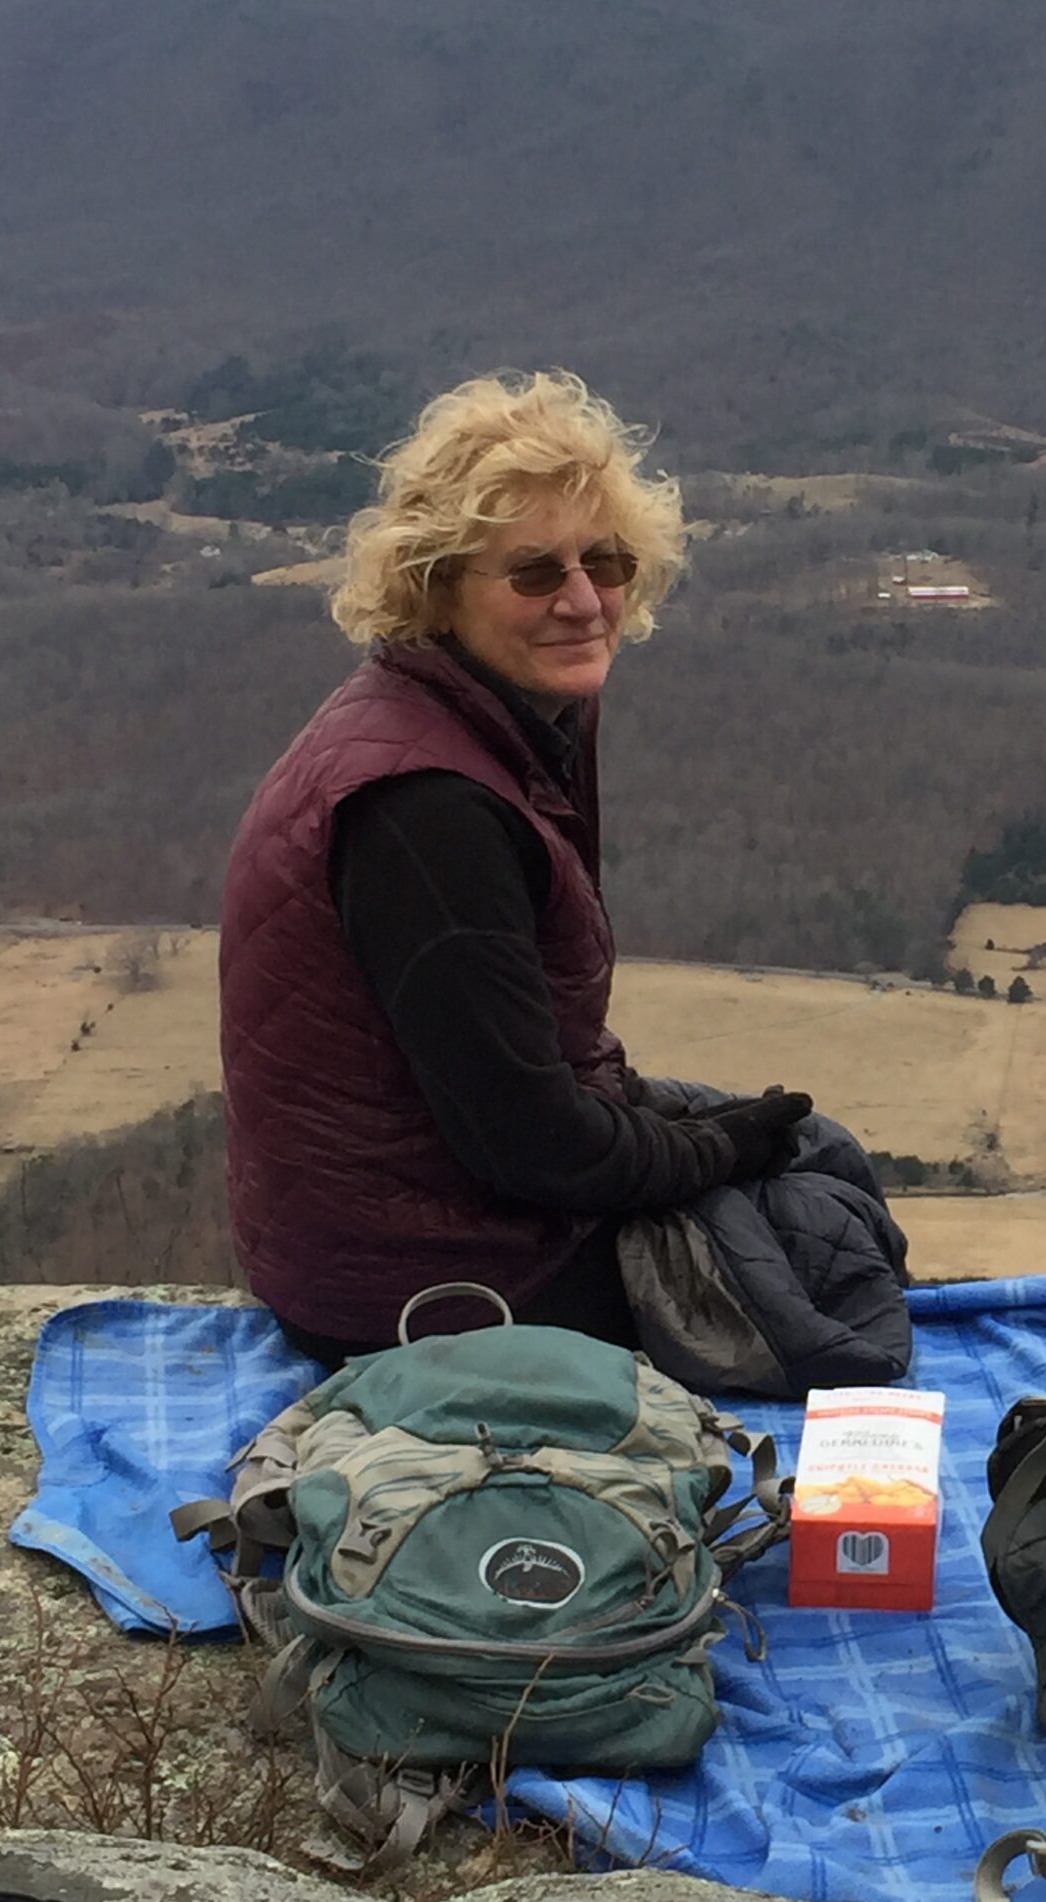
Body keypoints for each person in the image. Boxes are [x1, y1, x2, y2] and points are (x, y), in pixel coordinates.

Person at [219, 370, 814, 1367]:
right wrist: (718, 1150)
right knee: (804, 1226)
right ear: (437, 590)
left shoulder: (469, 724)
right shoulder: (429, 813)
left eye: (606, 562)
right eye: (533, 573)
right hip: (429, 1293)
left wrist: (704, 1131)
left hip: (417, 1232)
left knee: (796, 1150)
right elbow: (535, 1143)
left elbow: (525, 1084)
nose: (582, 600)